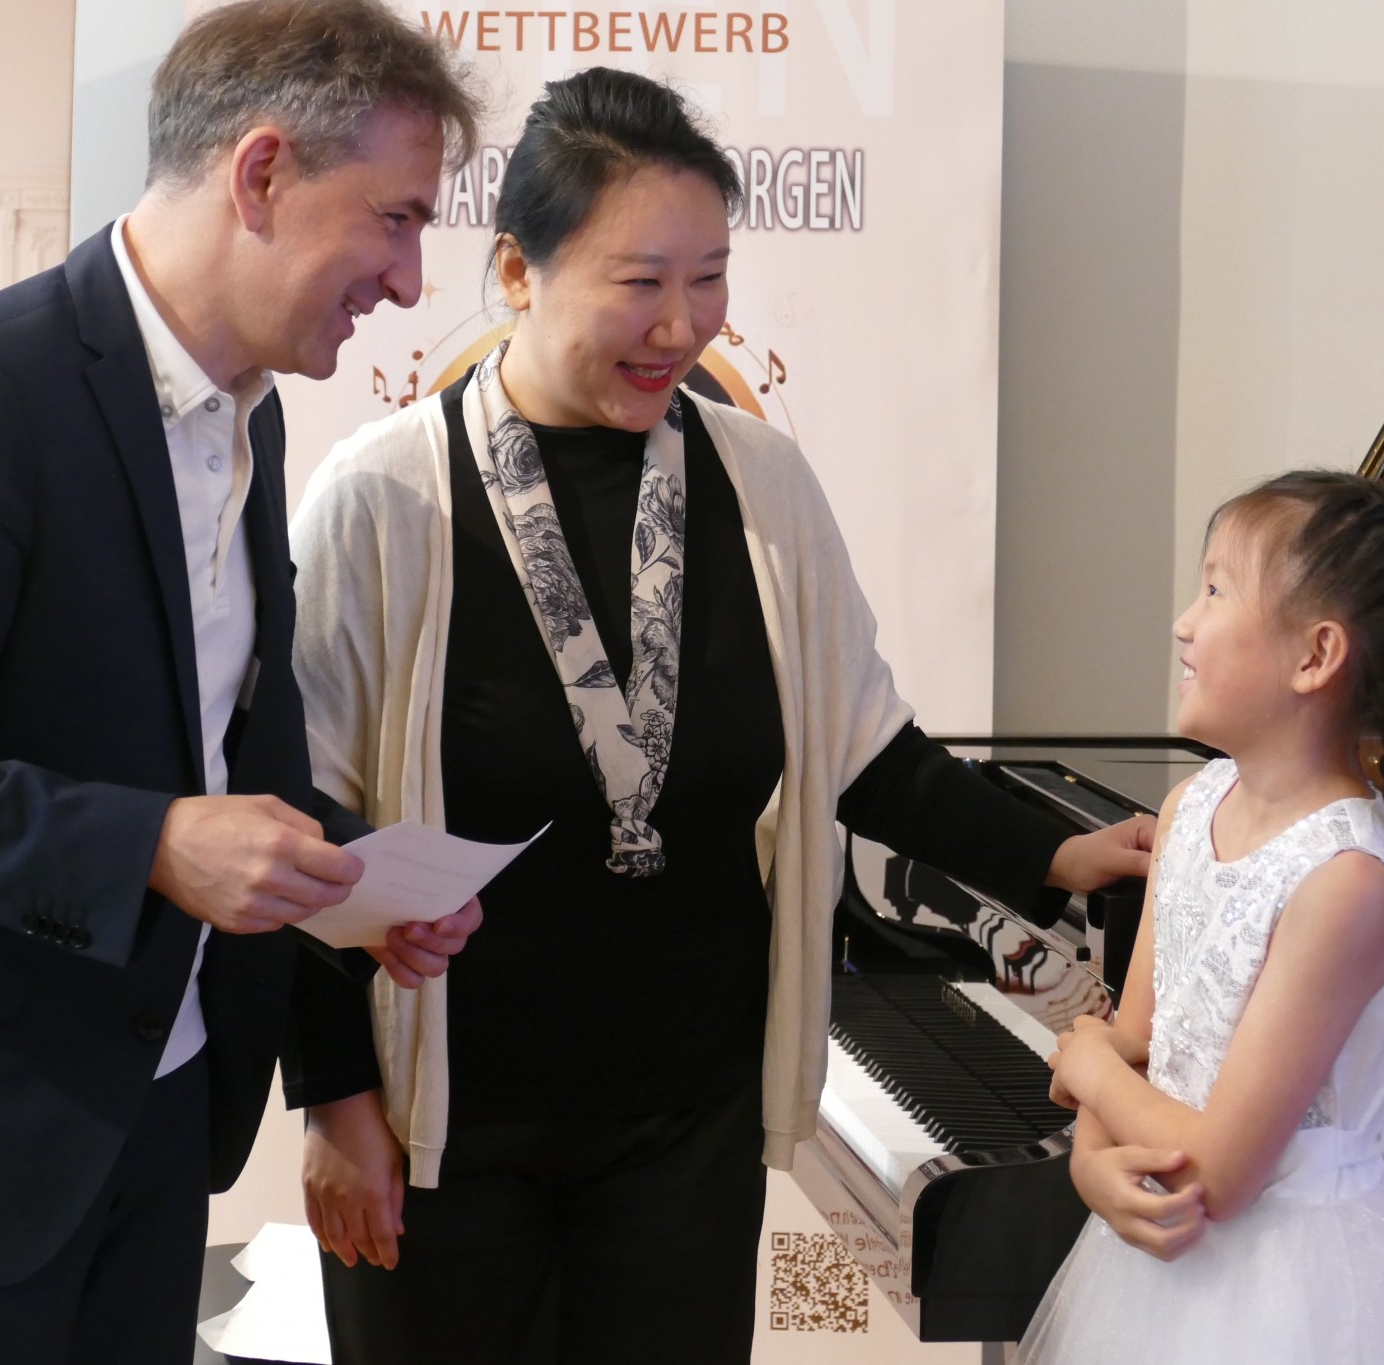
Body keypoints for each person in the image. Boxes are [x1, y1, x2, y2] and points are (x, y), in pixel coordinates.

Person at [282, 67, 1158, 1363]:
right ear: (517, 270)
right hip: (443, 1127)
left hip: (684, 1121)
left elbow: (868, 753)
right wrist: (333, 1102)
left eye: (710, 278)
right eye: (640, 281)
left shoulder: (761, 484)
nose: (681, 326)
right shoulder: (382, 499)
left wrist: (1060, 854)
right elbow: (298, 827)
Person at [0, 4, 482, 1361]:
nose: (408, 279)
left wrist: (352, 882)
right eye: (395, 220)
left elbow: (214, 740)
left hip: (156, 1098)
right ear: (262, 173)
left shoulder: (248, 413)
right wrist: (152, 845)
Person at [1019, 471, 1384, 1364]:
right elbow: (1137, 1036)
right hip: (1157, 1265)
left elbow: (1221, 1174)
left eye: (1216, 589)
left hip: (1299, 1287)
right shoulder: (1190, 805)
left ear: (1315, 655)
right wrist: (1089, 1160)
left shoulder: (1344, 882)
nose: (1184, 621)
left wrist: (1084, 1063)